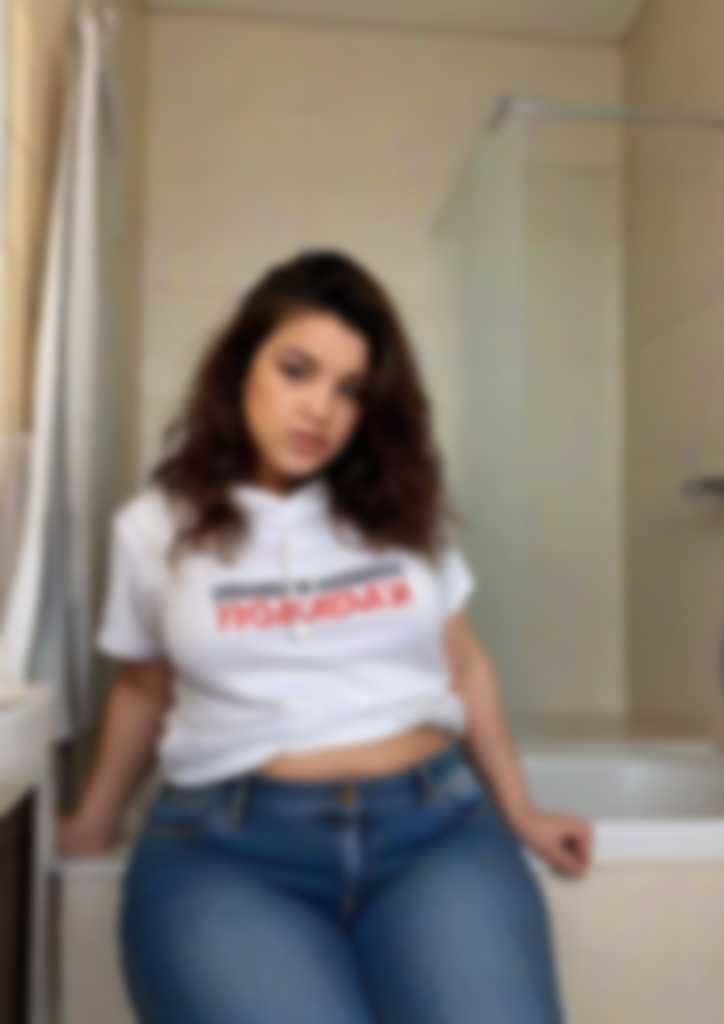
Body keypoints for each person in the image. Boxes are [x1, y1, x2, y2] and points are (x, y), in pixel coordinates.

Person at [58, 249, 593, 1023]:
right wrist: (94, 821)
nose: (320, 409)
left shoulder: (401, 509)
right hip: (229, 852)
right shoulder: (155, 525)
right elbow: (145, 686)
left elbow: (465, 665)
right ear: (241, 366)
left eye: (350, 390)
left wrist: (523, 812)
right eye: (297, 371)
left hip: (434, 831)